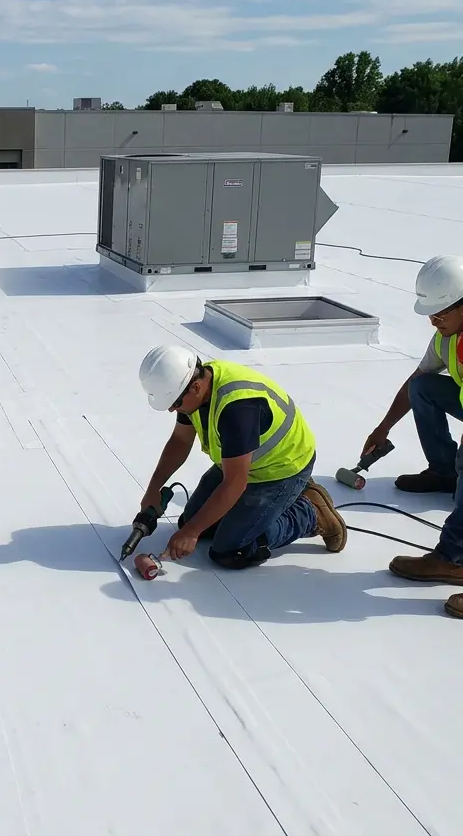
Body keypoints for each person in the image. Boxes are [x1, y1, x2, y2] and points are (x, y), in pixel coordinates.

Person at [137, 344, 347, 568]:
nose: (172, 410)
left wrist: (191, 533)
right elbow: (180, 441)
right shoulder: (195, 385)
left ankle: (311, 513)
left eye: (175, 404)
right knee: (192, 523)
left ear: (196, 387)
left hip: (281, 469)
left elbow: (235, 483)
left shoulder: (237, 409)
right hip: (242, 463)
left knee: (230, 550)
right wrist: (153, 490)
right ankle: (271, 506)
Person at [362, 253, 463, 614]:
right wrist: (383, 427)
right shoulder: (447, 338)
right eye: (431, 314)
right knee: (424, 388)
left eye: (442, 313)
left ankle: (453, 558)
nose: (434, 321)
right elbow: (417, 381)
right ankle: (444, 474)